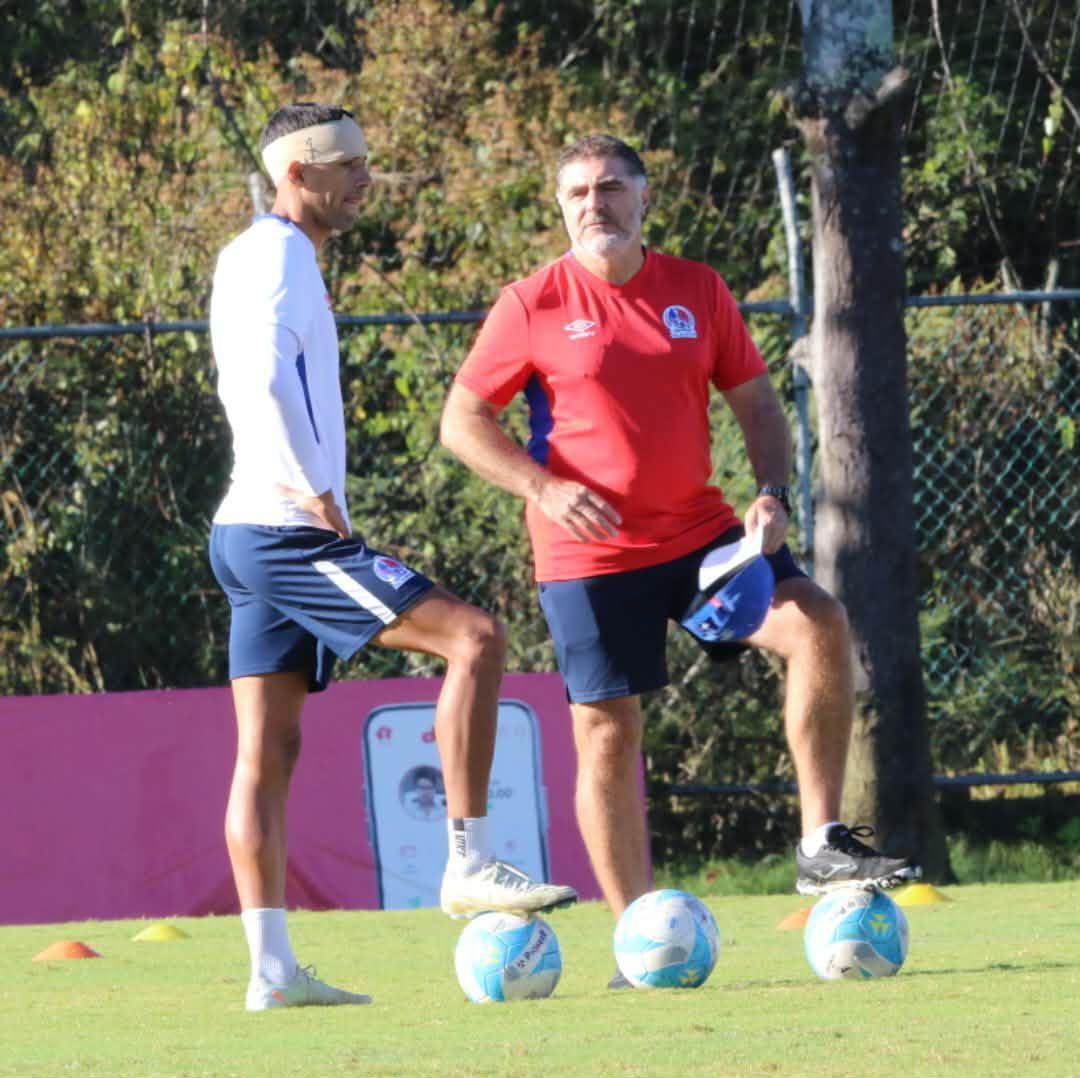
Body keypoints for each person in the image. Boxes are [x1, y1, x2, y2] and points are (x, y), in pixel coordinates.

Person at [439, 133, 919, 986]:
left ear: (645, 198)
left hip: (700, 540)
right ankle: (637, 938)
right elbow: (463, 424)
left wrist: (770, 494)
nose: (597, 204)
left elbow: (758, 404)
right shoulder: (531, 302)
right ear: (560, 207)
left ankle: (820, 842)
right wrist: (544, 489)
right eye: (579, 191)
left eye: (613, 187)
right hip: (587, 553)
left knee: (819, 623)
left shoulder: (697, 290)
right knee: (607, 732)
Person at [207, 102, 576, 1012]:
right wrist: (310, 487)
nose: (367, 177)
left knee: (268, 751)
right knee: (475, 640)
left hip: (244, 531)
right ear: (299, 173)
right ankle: (467, 861)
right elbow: (257, 379)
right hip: (284, 528)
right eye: (350, 164)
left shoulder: (253, 254)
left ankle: (271, 972)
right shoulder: (283, 253)